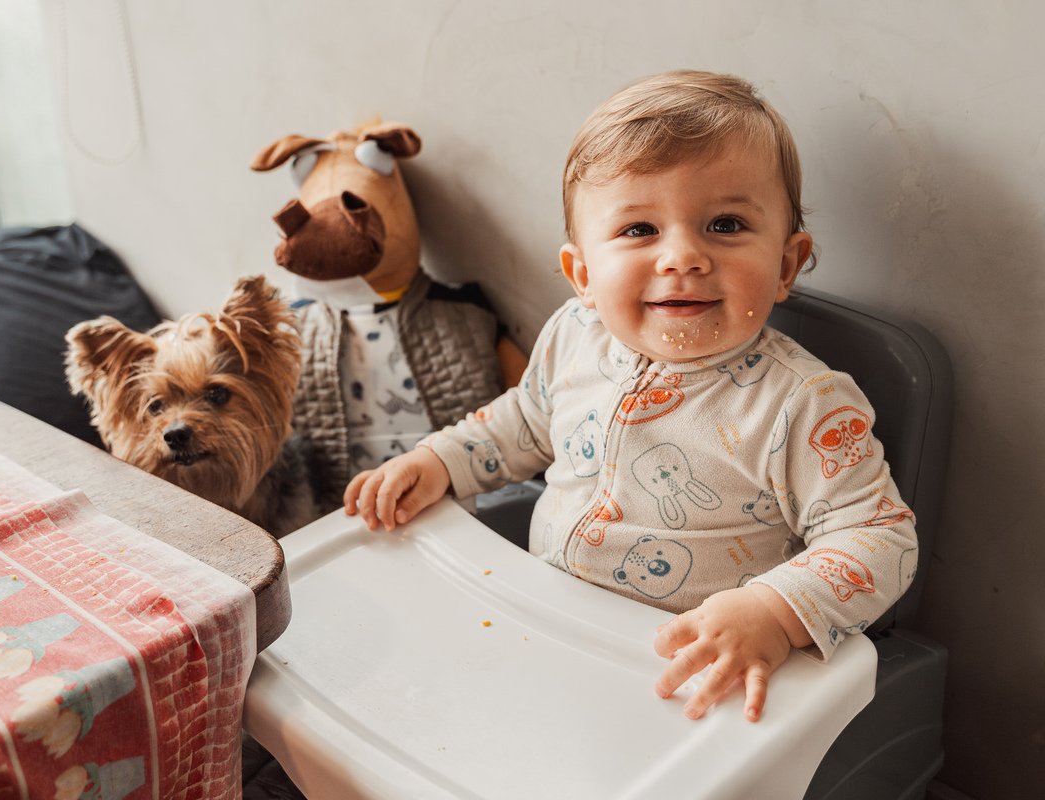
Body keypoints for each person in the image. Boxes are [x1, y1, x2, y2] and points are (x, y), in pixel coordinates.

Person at [343, 70, 917, 723]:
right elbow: (525, 423)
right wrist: (441, 461)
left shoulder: (801, 404)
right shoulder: (574, 335)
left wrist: (773, 611)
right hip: (545, 628)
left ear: (786, 264)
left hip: (683, 679)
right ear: (583, 274)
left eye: (725, 224)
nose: (683, 257)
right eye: (640, 229)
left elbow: (879, 535)